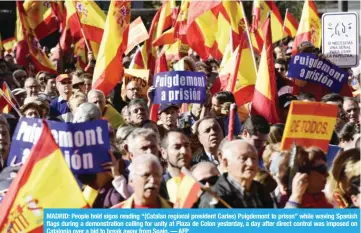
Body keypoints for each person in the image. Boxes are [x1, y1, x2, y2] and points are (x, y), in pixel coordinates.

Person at [199, 140, 273, 208]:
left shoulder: (261, 190)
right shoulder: (214, 199)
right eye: (243, 158)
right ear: (226, 163)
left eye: (254, 158)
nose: (251, 164)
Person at [160, 130, 192, 201]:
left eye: (186, 146)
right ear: (163, 153)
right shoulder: (160, 186)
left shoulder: (201, 178)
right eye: (177, 147)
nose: (184, 151)